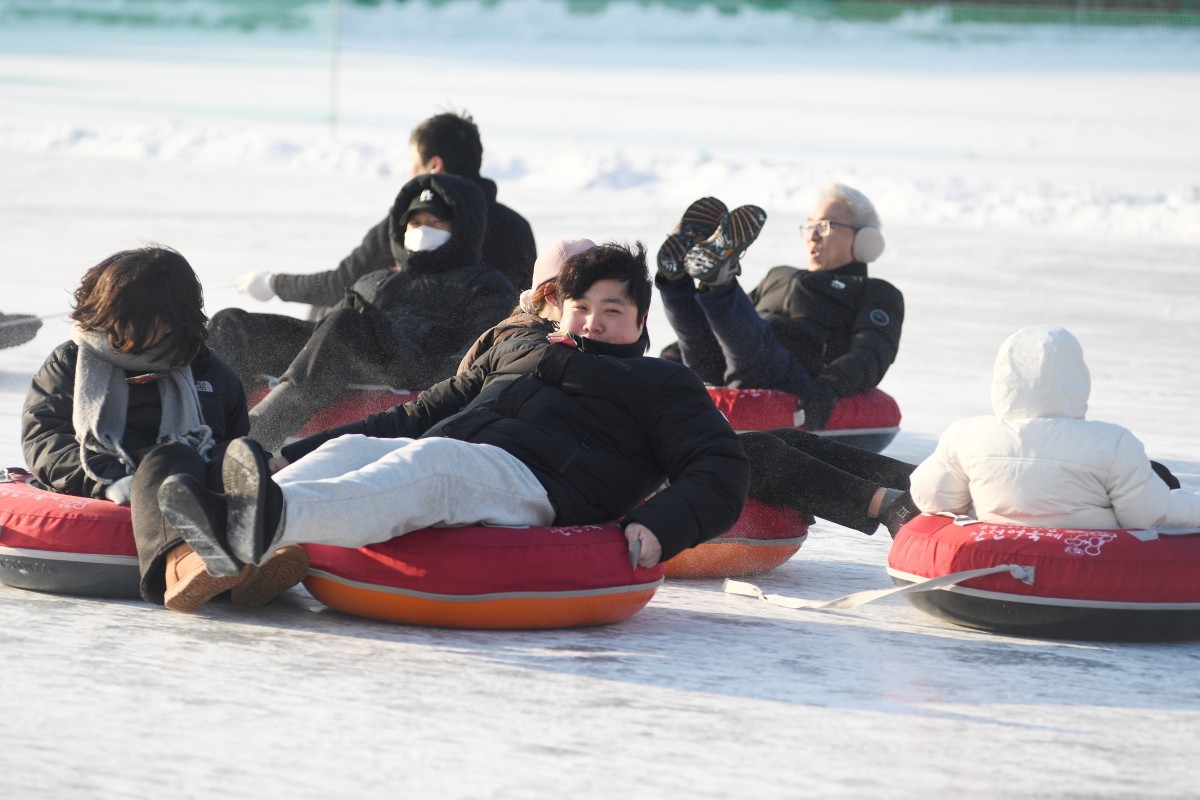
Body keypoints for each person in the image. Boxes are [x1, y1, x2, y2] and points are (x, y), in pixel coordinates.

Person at [157, 242, 750, 611]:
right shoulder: (519, 349)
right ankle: (230, 517)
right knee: (358, 446)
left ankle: (263, 520)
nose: (593, 323)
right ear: (560, 309)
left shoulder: (663, 382)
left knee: (433, 465)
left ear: (640, 319)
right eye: (581, 308)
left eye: (612, 311)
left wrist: (661, 524)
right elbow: (418, 414)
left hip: (544, 486)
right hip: (466, 457)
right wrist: (288, 453)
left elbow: (721, 469)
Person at [464, 237, 919, 538]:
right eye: (581, 295)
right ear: (551, 296)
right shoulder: (526, 342)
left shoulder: (572, 336)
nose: (595, 311)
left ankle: (917, 485)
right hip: (584, 473)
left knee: (778, 441)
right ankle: (884, 505)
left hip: (611, 450)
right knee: (752, 456)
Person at [20, 246, 308, 613]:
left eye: (137, 319)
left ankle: (256, 556)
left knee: (237, 456)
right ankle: (183, 561)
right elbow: (44, 438)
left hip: (194, 484)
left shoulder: (212, 374)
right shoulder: (71, 363)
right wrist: (107, 480)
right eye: (117, 315)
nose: (120, 327)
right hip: (116, 479)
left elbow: (230, 442)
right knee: (168, 458)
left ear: (173, 320)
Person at [213, 173, 517, 452]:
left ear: (462, 229)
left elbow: (477, 356)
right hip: (341, 351)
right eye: (415, 223)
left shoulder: (484, 284)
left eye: (435, 223)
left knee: (347, 321)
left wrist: (438, 381)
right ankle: (208, 427)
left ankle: (258, 435)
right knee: (231, 323)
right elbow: (324, 331)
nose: (423, 230)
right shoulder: (377, 277)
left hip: (412, 363)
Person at [225, 111, 535, 319]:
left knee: (328, 309)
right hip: (492, 349)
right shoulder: (517, 227)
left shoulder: (414, 224)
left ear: (434, 166)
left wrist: (274, 283)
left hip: (420, 352)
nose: (408, 173)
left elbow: (339, 283)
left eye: (411, 161)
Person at [656, 184, 904, 430]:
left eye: (825, 226)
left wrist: (828, 386)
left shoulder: (874, 292)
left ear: (865, 239)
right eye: (810, 226)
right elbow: (731, 320)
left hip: (786, 372)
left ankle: (719, 278)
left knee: (752, 342)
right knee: (701, 339)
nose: (813, 235)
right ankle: (675, 278)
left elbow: (871, 352)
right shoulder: (779, 275)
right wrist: (673, 356)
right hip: (734, 355)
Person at [909, 325, 1200, 529]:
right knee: (1157, 474)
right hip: (1089, 568)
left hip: (989, 562)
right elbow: (1149, 516)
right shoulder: (1113, 442)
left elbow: (931, 496)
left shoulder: (968, 435)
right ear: (1078, 377)